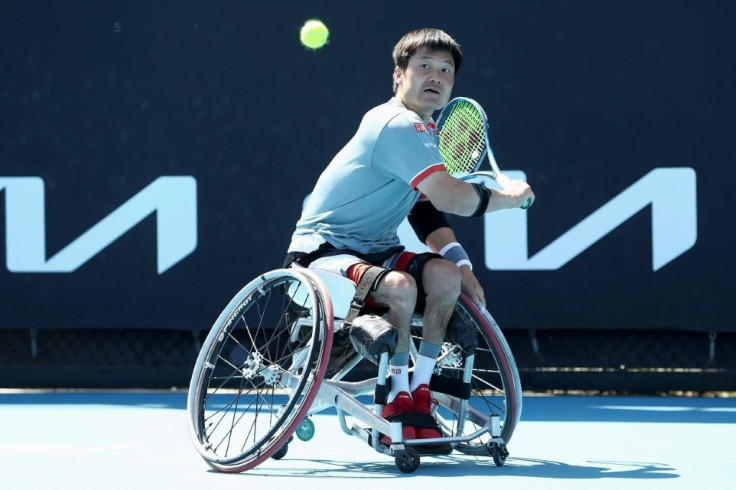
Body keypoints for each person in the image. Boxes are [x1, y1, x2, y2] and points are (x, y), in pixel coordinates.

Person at [284, 28, 534, 447]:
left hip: (378, 252)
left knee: (445, 278)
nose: (435, 77)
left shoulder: (428, 133)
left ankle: (418, 388)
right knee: (399, 286)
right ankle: (397, 396)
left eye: (445, 70)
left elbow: (422, 208)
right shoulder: (395, 123)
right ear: (399, 75)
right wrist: (509, 200)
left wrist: (462, 264)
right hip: (321, 255)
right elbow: (450, 195)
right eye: (424, 67)